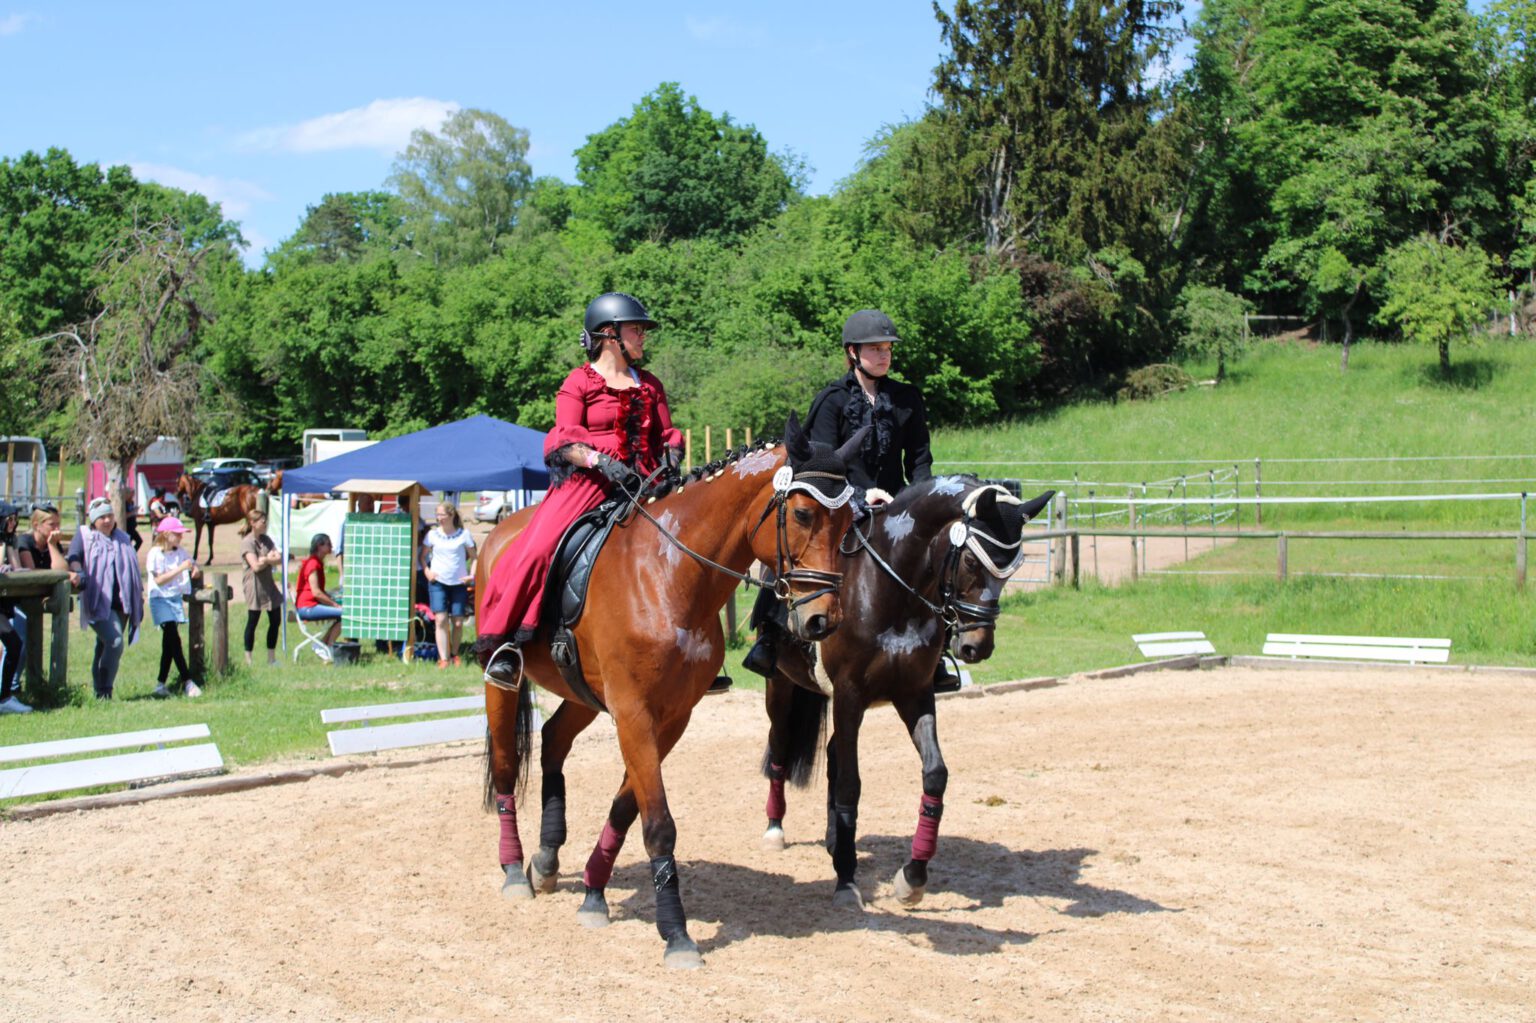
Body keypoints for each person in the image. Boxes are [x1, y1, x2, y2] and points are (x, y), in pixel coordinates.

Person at [479, 292, 683, 688]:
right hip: (590, 484)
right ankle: (506, 645)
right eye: (636, 329)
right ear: (610, 334)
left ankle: (692, 650)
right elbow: (563, 441)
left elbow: (666, 432)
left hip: (645, 483)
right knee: (536, 549)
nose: (643, 336)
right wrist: (601, 461)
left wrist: (672, 453)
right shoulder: (578, 382)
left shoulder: (651, 384)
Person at [741, 309, 952, 687]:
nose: (884, 355)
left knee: (941, 554)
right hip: (839, 504)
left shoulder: (907, 399)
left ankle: (939, 650)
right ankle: (769, 637)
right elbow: (819, 466)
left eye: (887, 348)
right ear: (853, 352)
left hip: (897, 507)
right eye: (875, 349)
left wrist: (921, 503)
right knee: (793, 535)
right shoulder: (832, 401)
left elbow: (920, 459)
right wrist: (858, 493)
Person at [66, 498, 144, 700]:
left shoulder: (123, 538)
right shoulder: (85, 535)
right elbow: (73, 557)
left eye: (109, 515)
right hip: (98, 600)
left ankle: (99, 694)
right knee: (114, 641)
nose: (107, 520)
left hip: (123, 603)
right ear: (94, 520)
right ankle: (105, 690)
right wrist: (78, 572)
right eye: (102, 517)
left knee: (103, 646)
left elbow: (133, 568)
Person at [145, 517, 202, 698]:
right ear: (167, 534)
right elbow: (159, 580)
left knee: (169, 643)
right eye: (177, 534)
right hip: (160, 599)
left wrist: (195, 569)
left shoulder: (180, 552)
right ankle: (188, 681)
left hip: (174, 599)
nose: (180, 538)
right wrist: (181, 569)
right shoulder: (155, 553)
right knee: (173, 638)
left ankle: (161, 684)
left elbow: (192, 563)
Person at [422, 501, 476, 668]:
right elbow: (422, 557)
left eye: (442, 515)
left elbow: (474, 557)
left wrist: (471, 576)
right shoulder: (431, 535)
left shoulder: (464, 535)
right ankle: (443, 658)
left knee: (458, 622)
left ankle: (455, 654)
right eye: (437, 515)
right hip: (438, 582)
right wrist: (427, 572)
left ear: (451, 515)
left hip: (458, 583)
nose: (439, 518)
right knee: (440, 619)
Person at [239, 509, 283, 667]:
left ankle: (271, 658)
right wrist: (267, 559)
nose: (265, 524)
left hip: (268, 584)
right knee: (253, 621)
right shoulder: (247, 542)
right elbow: (255, 567)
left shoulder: (266, 539)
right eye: (262, 522)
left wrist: (266, 560)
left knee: (275, 619)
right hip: (254, 585)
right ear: (253, 523)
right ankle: (248, 660)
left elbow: (278, 559)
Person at [0, 500, 29, 713]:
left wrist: (9, 546)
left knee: (14, 644)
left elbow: (16, 568)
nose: (13, 523)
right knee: (13, 642)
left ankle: (5, 697)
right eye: (8, 519)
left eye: (14, 519)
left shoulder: (8, 540)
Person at [295, 532, 343, 660]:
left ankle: (323, 644)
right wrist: (334, 604)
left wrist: (332, 598)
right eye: (328, 543)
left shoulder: (316, 562)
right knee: (345, 614)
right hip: (308, 607)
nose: (331, 546)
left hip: (309, 605)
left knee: (342, 615)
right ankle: (329, 646)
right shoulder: (313, 564)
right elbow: (316, 592)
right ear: (319, 546)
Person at [16, 504, 66, 572]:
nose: (57, 529)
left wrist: (52, 545)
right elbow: (30, 571)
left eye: (58, 524)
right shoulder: (24, 541)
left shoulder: (53, 541)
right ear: (36, 526)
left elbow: (63, 571)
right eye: (51, 524)